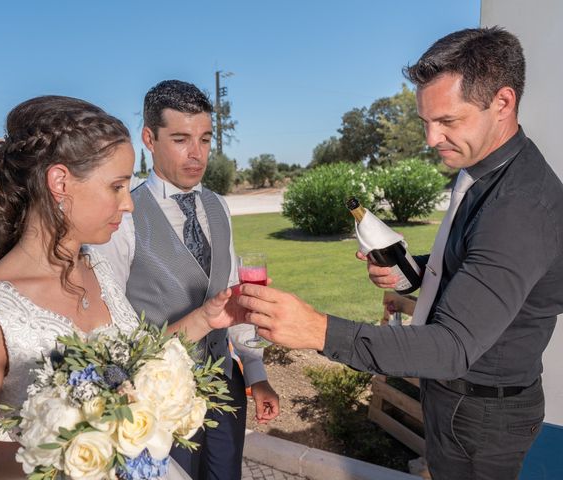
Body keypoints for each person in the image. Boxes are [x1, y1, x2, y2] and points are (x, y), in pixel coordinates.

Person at [237, 27, 563, 480]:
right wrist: (415, 274)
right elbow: (478, 261)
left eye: (448, 121)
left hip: (483, 416)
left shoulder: (520, 206)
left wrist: (318, 329)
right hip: (463, 401)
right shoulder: (486, 171)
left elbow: (452, 346)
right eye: (425, 122)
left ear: (503, 103)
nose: (431, 139)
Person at [0, 96, 239, 480]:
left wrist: (204, 319)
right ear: (60, 183)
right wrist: (76, 457)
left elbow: (134, 365)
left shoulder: (97, 269)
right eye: (117, 186)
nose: (129, 205)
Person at [96, 80, 280, 480]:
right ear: (149, 138)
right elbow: (105, 327)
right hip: (157, 403)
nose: (196, 154)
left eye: (205, 139)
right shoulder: (123, 217)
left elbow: (235, 297)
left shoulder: (219, 205)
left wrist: (256, 373)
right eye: (180, 139)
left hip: (225, 390)